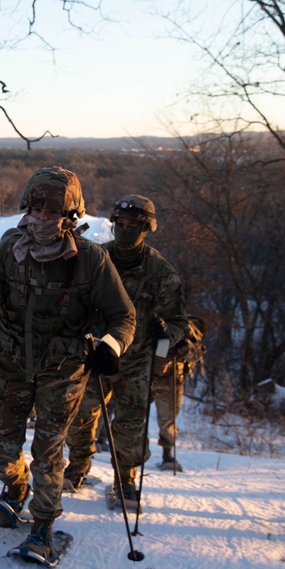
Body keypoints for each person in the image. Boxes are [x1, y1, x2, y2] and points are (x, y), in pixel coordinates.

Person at [0, 166, 135, 565]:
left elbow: (124, 316)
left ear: (70, 217)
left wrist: (111, 345)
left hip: (63, 369)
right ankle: (15, 487)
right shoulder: (6, 252)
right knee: (2, 448)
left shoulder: (91, 261)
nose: (40, 220)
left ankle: (43, 525)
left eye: (51, 213)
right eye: (35, 211)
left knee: (48, 453)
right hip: (11, 364)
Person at [64, 195, 188, 505]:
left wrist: (165, 335)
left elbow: (178, 323)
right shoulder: (96, 259)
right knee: (81, 417)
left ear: (147, 228)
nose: (126, 229)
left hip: (136, 361)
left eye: (134, 225)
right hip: (96, 354)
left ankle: (126, 478)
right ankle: (78, 466)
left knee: (131, 426)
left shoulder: (161, 272)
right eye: (121, 223)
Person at [150, 315, 206, 472]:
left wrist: (184, 346)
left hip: (171, 379)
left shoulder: (186, 326)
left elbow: (196, 354)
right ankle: (133, 454)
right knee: (134, 415)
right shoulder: (150, 317)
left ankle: (167, 455)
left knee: (167, 420)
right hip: (146, 373)